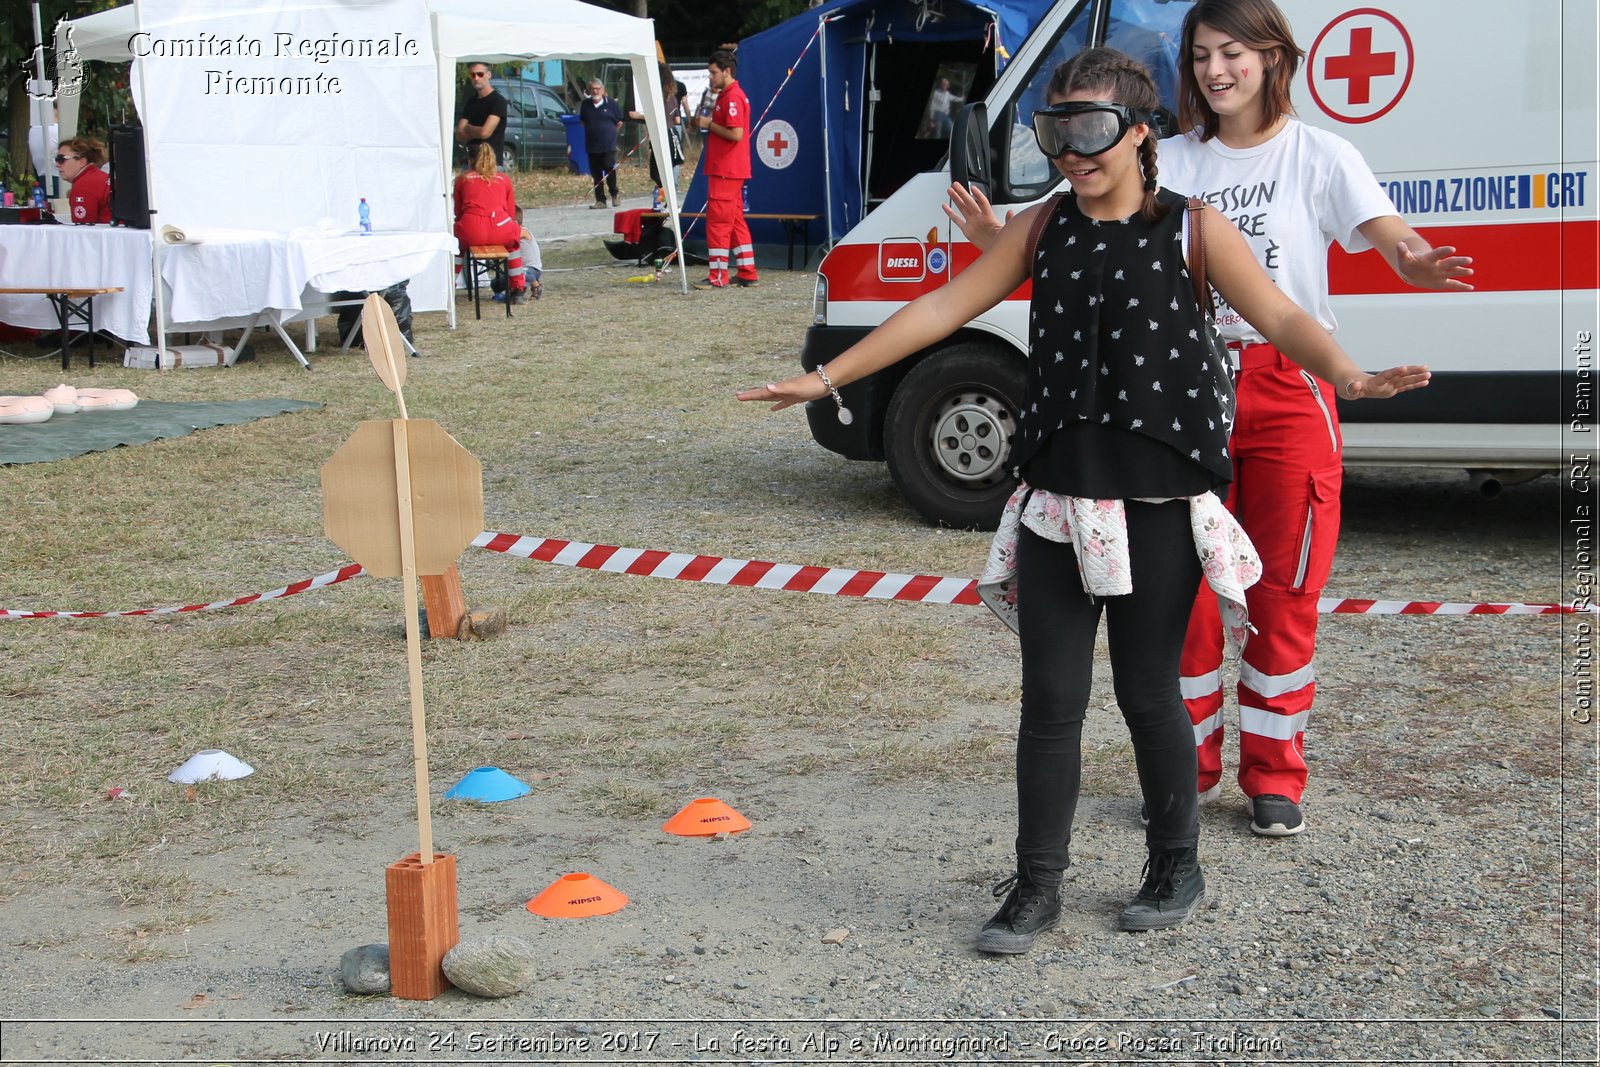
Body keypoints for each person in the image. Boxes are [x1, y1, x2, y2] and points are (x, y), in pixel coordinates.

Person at [738, 47, 1428, 951]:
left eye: (1092, 129)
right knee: (1049, 702)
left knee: (1151, 695)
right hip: (1059, 502)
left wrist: (1349, 373)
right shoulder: (1040, 228)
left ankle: (1175, 863)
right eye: (1056, 129)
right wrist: (823, 376)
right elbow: (940, 309)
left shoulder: (1195, 229)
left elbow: (1285, 315)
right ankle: (1036, 886)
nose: (1072, 150)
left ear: (1141, 132)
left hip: (1159, 503)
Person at [695, 49, 758, 289]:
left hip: (726, 168)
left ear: (726, 71)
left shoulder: (732, 97)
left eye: (713, 73)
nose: (710, 77)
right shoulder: (728, 95)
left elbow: (736, 133)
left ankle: (718, 275)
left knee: (718, 223)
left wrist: (708, 124)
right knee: (735, 221)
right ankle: (746, 271)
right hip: (731, 168)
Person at [453, 142, 527, 303]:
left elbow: (458, 211)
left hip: (472, 228)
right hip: (500, 227)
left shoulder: (462, 179)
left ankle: (450, 285)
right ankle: (517, 288)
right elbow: (510, 211)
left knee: (457, 246)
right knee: (513, 244)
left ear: (470, 160)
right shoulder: (503, 179)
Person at [579, 78, 625, 209]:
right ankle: (600, 200)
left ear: (603, 90)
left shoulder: (611, 104)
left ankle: (614, 193)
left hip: (608, 144)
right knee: (596, 173)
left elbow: (619, 122)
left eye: (597, 89)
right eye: (592, 89)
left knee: (609, 167)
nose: (595, 91)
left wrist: (609, 133)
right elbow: (583, 122)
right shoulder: (585, 105)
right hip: (592, 145)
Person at [456, 63, 507, 167]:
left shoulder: (498, 101)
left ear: (488, 75)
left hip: (491, 165)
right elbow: (459, 134)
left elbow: (485, 133)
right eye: (472, 75)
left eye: (480, 74)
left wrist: (468, 128)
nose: (476, 78)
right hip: (470, 163)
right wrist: (476, 132)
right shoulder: (471, 102)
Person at [55, 137, 110, 225]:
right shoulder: (96, 176)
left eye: (62, 159)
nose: (57, 164)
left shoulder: (84, 185)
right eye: (56, 159)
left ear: (82, 162)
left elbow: (84, 231)